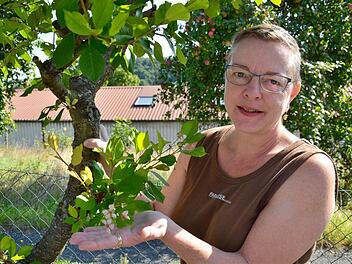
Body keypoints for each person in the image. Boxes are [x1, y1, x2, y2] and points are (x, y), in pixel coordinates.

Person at [70, 24, 337, 264]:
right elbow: (158, 213)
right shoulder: (199, 145)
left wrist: (167, 230)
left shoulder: (308, 171)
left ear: (292, 93)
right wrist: (113, 163)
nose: (252, 92)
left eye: (272, 81)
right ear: (225, 78)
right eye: (240, 74)